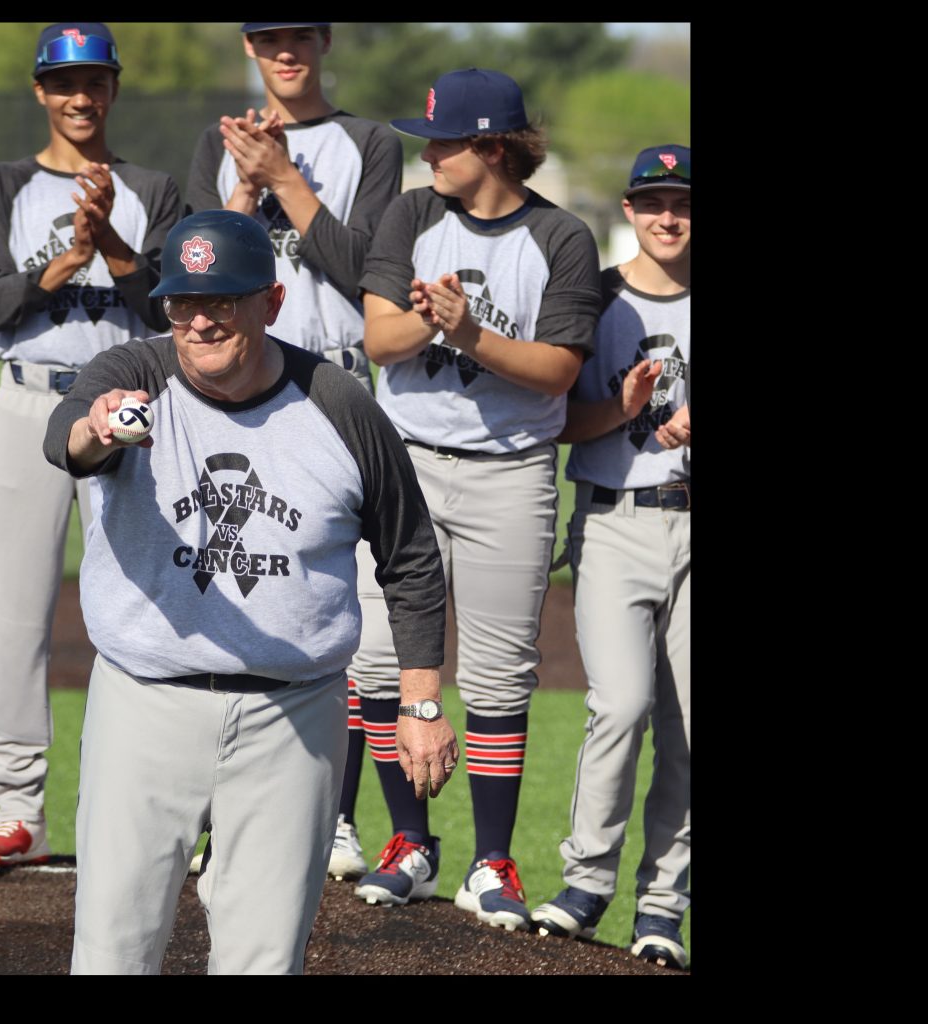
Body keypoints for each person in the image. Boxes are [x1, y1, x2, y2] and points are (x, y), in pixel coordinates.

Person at [43, 209, 452, 974]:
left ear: (271, 302)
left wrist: (421, 704)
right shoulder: (133, 375)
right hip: (145, 703)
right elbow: (67, 440)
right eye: (182, 302)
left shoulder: (337, 402)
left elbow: (410, 554)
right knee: (113, 946)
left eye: (222, 301)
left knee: (264, 957)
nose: (200, 321)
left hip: (294, 716)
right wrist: (96, 430)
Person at [348, 68, 601, 932]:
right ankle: (410, 843)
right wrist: (431, 321)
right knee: (378, 661)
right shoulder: (412, 215)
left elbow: (558, 371)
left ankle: (492, 860)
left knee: (498, 672)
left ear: (491, 146)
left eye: (444, 141)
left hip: (511, 471)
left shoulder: (560, 236)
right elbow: (379, 339)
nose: (430, 155)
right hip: (405, 466)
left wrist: (469, 331)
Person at [184, 19, 403, 881]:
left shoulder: (368, 143)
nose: (286, 51)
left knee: (335, 609)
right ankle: (221, 813)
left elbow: (368, 271)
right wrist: (244, 186)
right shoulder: (217, 142)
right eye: (269, 36)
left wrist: (285, 178)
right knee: (233, 594)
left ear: (323, 41)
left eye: (300, 35)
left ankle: (334, 816)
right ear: (249, 47)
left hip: (333, 380)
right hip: (236, 387)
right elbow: (200, 273)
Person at [0, 22, 181, 872]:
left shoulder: (152, 187)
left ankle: (134, 808)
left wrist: (115, 246)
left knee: (137, 608)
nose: (80, 97)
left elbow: (168, 309)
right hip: (28, 399)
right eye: (64, 83)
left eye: (94, 81)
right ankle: (18, 808)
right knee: (17, 610)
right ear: (40, 92)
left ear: (114, 89)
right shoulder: (6, 183)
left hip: (124, 406)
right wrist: (70, 258)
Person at [529, 144, 691, 969]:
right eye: (654, 201)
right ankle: (587, 882)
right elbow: (554, 422)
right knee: (622, 705)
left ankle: (663, 907)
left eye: (683, 202)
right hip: (615, 518)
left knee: (689, 728)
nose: (669, 216)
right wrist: (624, 406)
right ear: (629, 210)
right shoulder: (595, 296)